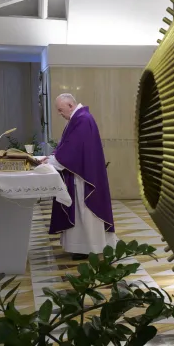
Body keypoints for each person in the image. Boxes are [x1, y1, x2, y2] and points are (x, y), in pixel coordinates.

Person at [40, 94, 117, 260]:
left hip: (83, 177)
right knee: (79, 212)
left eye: (60, 110)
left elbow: (73, 151)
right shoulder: (78, 119)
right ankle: (81, 247)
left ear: (70, 105)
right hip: (78, 174)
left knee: (86, 212)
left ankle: (91, 247)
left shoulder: (82, 120)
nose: (59, 113)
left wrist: (53, 160)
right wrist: (53, 157)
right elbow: (67, 146)